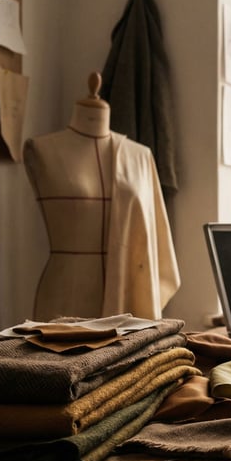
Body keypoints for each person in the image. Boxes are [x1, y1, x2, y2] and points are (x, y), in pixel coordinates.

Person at [23, 73, 179, 321]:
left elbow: (158, 247)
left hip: (128, 303)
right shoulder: (42, 149)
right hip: (66, 296)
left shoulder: (140, 157)